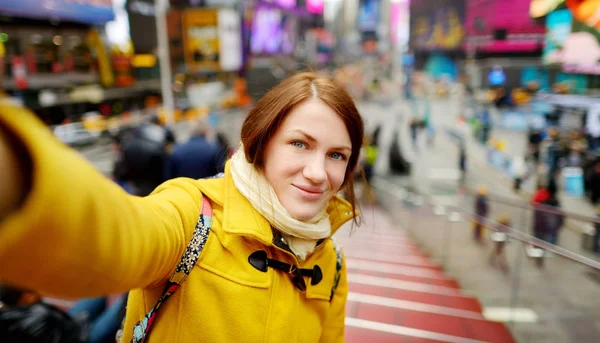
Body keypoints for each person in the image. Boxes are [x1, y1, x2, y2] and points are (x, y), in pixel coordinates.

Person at [0, 72, 364, 342]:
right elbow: (118, 239)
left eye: (336, 155)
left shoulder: (330, 262)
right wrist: (18, 177)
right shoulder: (193, 213)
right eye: (299, 144)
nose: (318, 173)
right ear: (261, 142)